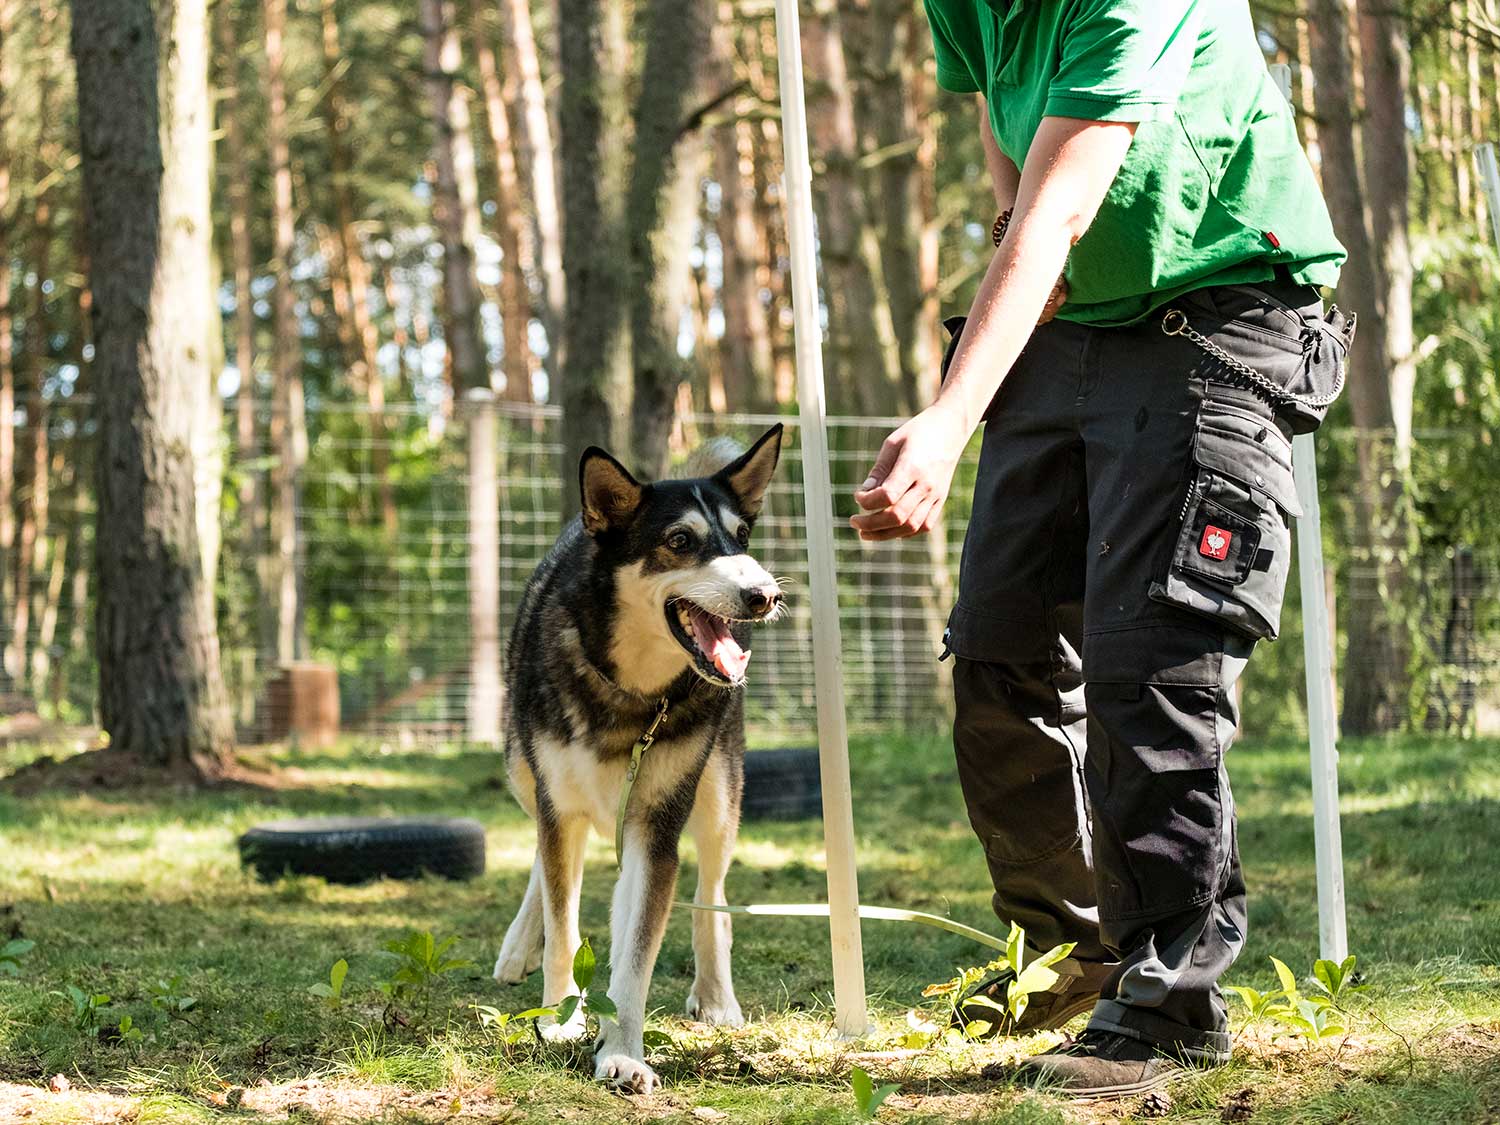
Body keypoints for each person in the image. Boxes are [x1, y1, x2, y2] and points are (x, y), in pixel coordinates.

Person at [851, 0, 1352, 1098]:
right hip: (1076, 323)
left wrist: (948, 418)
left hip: (1217, 318)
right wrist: (1017, 277)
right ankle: (1074, 957)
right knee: (1000, 649)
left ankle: (1174, 1003)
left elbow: (1063, 202)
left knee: (1148, 664)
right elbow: (1012, 167)